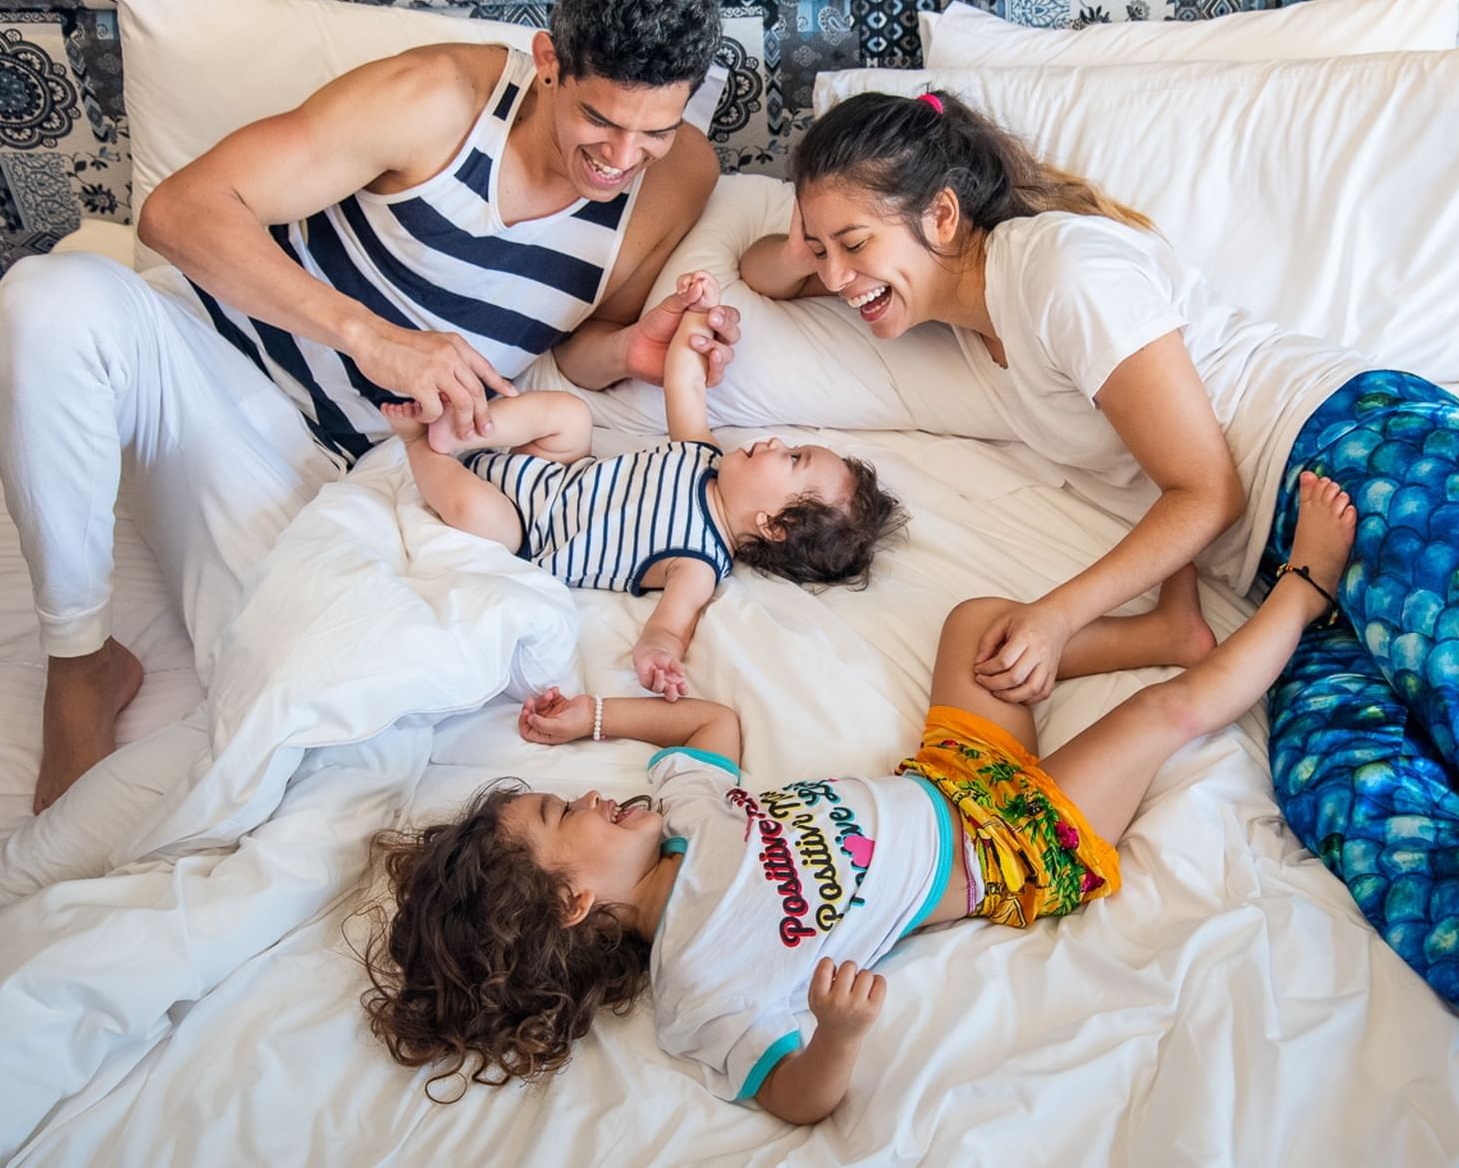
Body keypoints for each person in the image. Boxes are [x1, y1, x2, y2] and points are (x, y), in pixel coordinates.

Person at [738, 89, 1459, 1165]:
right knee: (1341, 784)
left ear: (941, 215)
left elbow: (1204, 489)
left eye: (856, 244)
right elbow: (763, 267)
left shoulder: (1060, 273)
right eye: (827, 250)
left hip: (1378, 455)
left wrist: (1058, 611)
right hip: (1294, 556)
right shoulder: (974, 321)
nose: (839, 276)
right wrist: (822, 247)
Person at [0, 0, 740, 814]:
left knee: (309, 743)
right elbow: (179, 211)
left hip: (344, 475)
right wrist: (371, 335)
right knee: (46, 301)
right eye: (600, 122)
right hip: (205, 363)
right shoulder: (436, 97)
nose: (620, 157)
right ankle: (81, 661)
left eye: (652, 129)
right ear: (548, 63)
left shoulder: (680, 172)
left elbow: (578, 343)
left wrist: (632, 350)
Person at [362, 473, 1355, 1120]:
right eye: (558, 815)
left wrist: (595, 717)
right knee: (1162, 718)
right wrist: (836, 1034)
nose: (584, 797)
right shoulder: (699, 984)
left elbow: (714, 727)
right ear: (573, 899)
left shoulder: (680, 815)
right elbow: (794, 1096)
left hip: (949, 778)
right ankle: (1304, 588)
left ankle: (1157, 632)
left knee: (974, 626)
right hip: (1006, 847)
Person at [381, 272, 902, 699]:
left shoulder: (698, 561)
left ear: (773, 527)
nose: (770, 441)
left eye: (791, 458)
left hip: (527, 531)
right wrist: (699, 310)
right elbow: (685, 379)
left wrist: (660, 657)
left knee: (481, 519)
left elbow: (668, 626)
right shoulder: (702, 454)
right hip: (550, 468)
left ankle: (421, 447)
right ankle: (466, 429)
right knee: (569, 413)